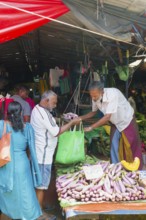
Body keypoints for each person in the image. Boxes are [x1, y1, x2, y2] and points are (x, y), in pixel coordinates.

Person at [30, 90, 80, 218]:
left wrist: (62, 119)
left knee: (41, 184)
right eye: (54, 102)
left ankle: (39, 207)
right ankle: (39, 214)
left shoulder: (39, 109)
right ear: (46, 101)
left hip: (42, 153)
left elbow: (50, 123)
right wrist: (71, 123)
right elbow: (56, 132)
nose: (55, 105)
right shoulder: (42, 113)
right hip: (43, 155)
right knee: (41, 185)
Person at [79, 81, 143, 169]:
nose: (93, 98)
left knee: (131, 145)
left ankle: (136, 169)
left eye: (95, 96)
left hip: (126, 120)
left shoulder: (113, 94)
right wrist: (80, 118)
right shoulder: (95, 96)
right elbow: (93, 112)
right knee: (114, 144)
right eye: (91, 95)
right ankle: (115, 168)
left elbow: (107, 116)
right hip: (115, 122)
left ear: (102, 91)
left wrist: (91, 127)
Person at [0, 101, 42, 220]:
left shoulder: (2, 124)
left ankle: (11, 215)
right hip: (22, 163)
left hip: (5, 163)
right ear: (21, 112)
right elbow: (31, 149)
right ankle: (27, 215)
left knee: (9, 192)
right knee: (25, 192)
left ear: (7, 113)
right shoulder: (27, 127)